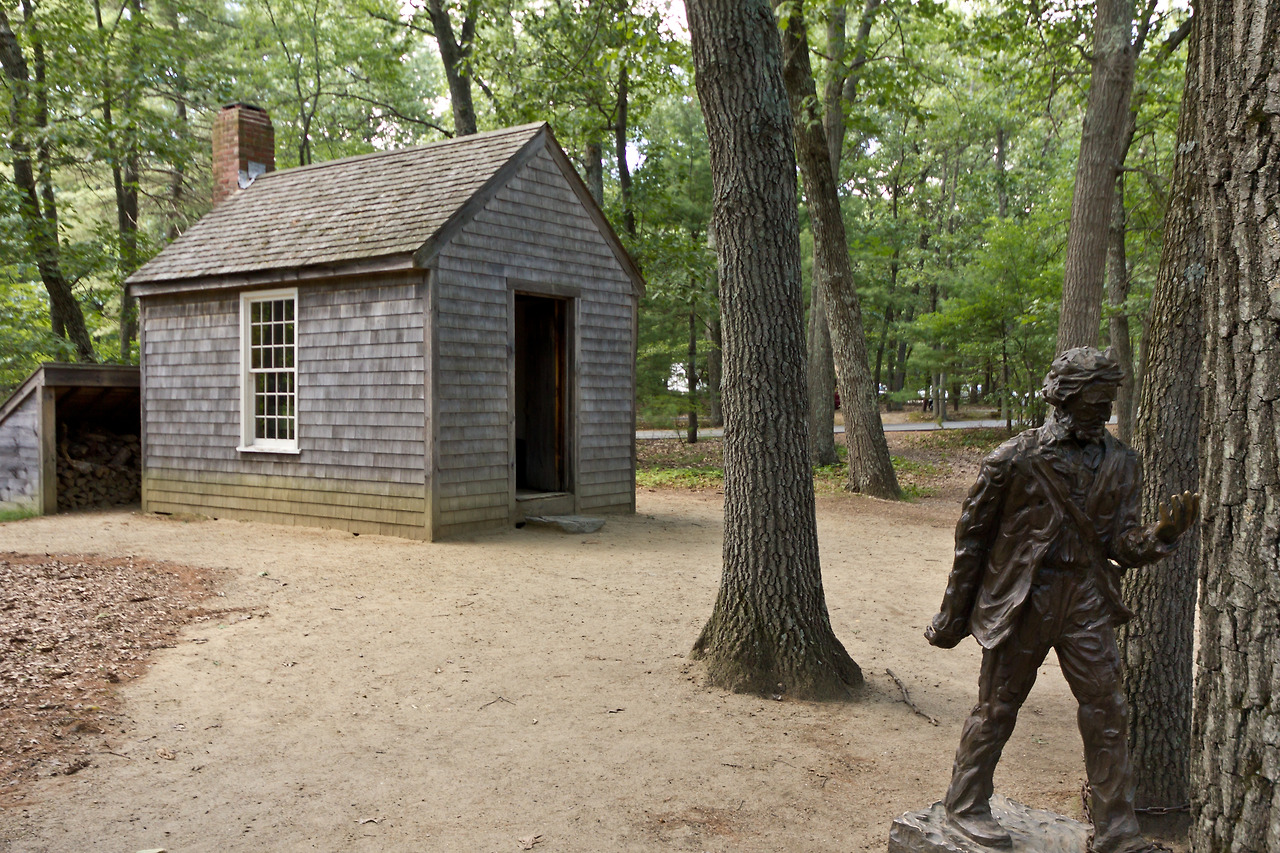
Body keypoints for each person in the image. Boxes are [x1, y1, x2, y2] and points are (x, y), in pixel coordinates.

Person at [925, 346, 1198, 853]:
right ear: (1063, 399)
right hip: (1025, 599)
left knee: (1107, 709)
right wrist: (952, 613)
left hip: (1086, 601)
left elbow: (1121, 541)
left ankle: (1117, 828)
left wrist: (1159, 537)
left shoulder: (1123, 462)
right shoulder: (1015, 458)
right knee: (998, 707)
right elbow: (972, 539)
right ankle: (965, 805)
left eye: (1106, 402)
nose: (1101, 412)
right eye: (1093, 402)